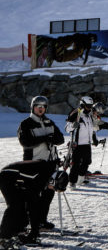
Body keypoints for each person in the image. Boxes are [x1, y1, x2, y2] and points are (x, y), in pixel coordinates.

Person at [17, 96, 65, 230]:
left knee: (48, 194)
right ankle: (26, 223)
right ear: (33, 107)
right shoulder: (26, 123)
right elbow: (25, 142)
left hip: (50, 164)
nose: (41, 109)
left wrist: (53, 139)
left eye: (43, 106)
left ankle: (41, 220)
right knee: (32, 195)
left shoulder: (49, 122)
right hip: (33, 164)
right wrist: (44, 138)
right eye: (38, 106)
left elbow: (60, 139)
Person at [0, 160, 68, 245]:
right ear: (52, 181)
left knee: (22, 205)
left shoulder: (47, 173)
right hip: (6, 178)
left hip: (19, 180)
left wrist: (34, 232)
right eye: (54, 188)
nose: (52, 189)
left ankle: (17, 231)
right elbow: (32, 205)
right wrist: (34, 232)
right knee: (15, 205)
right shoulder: (38, 179)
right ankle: (3, 237)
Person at [65, 96, 99, 187]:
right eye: (88, 106)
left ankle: (80, 178)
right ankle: (72, 182)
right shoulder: (75, 114)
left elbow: (93, 128)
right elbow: (67, 128)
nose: (90, 108)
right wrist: (73, 125)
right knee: (75, 164)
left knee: (87, 161)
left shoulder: (90, 115)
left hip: (87, 143)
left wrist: (94, 138)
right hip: (77, 143)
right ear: (82, 104)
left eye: (91, 106)